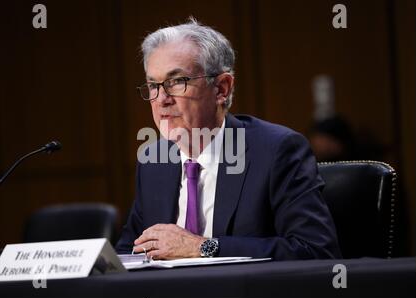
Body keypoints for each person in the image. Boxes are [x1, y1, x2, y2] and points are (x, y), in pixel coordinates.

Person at [116, 18, 341, 260]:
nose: (161, 99)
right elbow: (128, 253)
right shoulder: (153, 163)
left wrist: (203, 248)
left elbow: (316, 252)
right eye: (153, 85)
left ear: (221, 89)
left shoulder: (276, 151)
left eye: (177, 82)